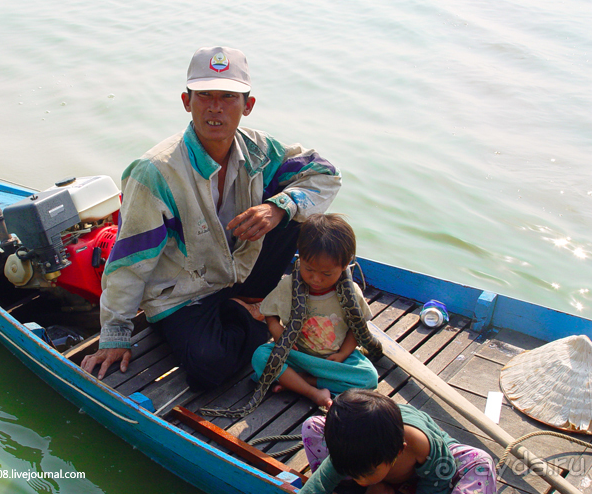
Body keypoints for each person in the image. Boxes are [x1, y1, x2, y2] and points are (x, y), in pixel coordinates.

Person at [80, 46, 342, 390]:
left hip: (241, 270)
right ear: (187, 101)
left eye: (228, 97)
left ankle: (250, 307)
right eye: (204, 95)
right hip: (184, 293)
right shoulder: (155, 172)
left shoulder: (261, 151)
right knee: (209, 368)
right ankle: (256, 316)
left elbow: (326, 174)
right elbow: (131, 259)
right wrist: (115, 334)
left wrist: (277, 207)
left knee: (303, 212)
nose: (215, 107)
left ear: (247, 106)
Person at [237, 213, 378, 408]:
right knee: (261, 356)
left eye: (326, 273)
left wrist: (344, 353)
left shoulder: (351, 292)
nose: (316, 279)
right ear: (300, 257)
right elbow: (270, 311)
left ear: (345, 265)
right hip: (298, 354)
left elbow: (358, 326)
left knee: (369, 377)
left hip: (332, 359)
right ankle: (312, 391)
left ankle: (297, 382)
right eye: (309, 269)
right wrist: (276, 329)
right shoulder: (290, 284)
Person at [299, 389, 497, 494]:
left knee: (481, 462)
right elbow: (319, 483)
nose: (359, 480)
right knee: (312, 427)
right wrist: (369, 486)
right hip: (381, 472)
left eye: (365, 475)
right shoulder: (351, 449)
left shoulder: (421, 444)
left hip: (434, 474)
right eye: (354, 475)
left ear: (399, 451)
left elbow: (437, 482)